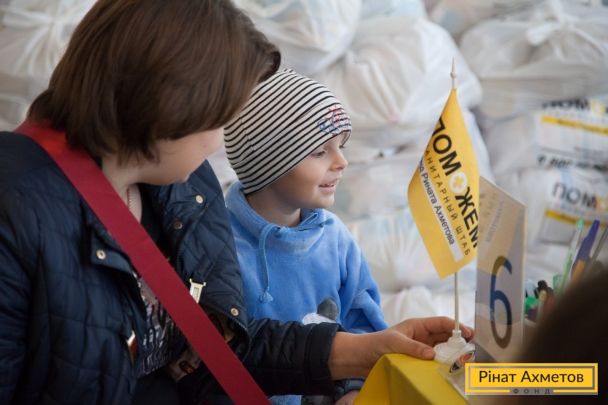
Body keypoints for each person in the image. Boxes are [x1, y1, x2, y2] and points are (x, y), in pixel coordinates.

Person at [0, 1, 473, 404]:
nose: (217, 145)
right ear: (169, 108)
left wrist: (365, 349)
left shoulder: (186, 188)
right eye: (218, 120)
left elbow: (221, 345)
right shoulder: (15, 213)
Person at [223, 69, 386, 405]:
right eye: (320, 152)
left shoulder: (336, 240)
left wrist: (352, 390)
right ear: (267, 161)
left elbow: (363, 324)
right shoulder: (222, 250)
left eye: (340, 146)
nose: (342, 161)